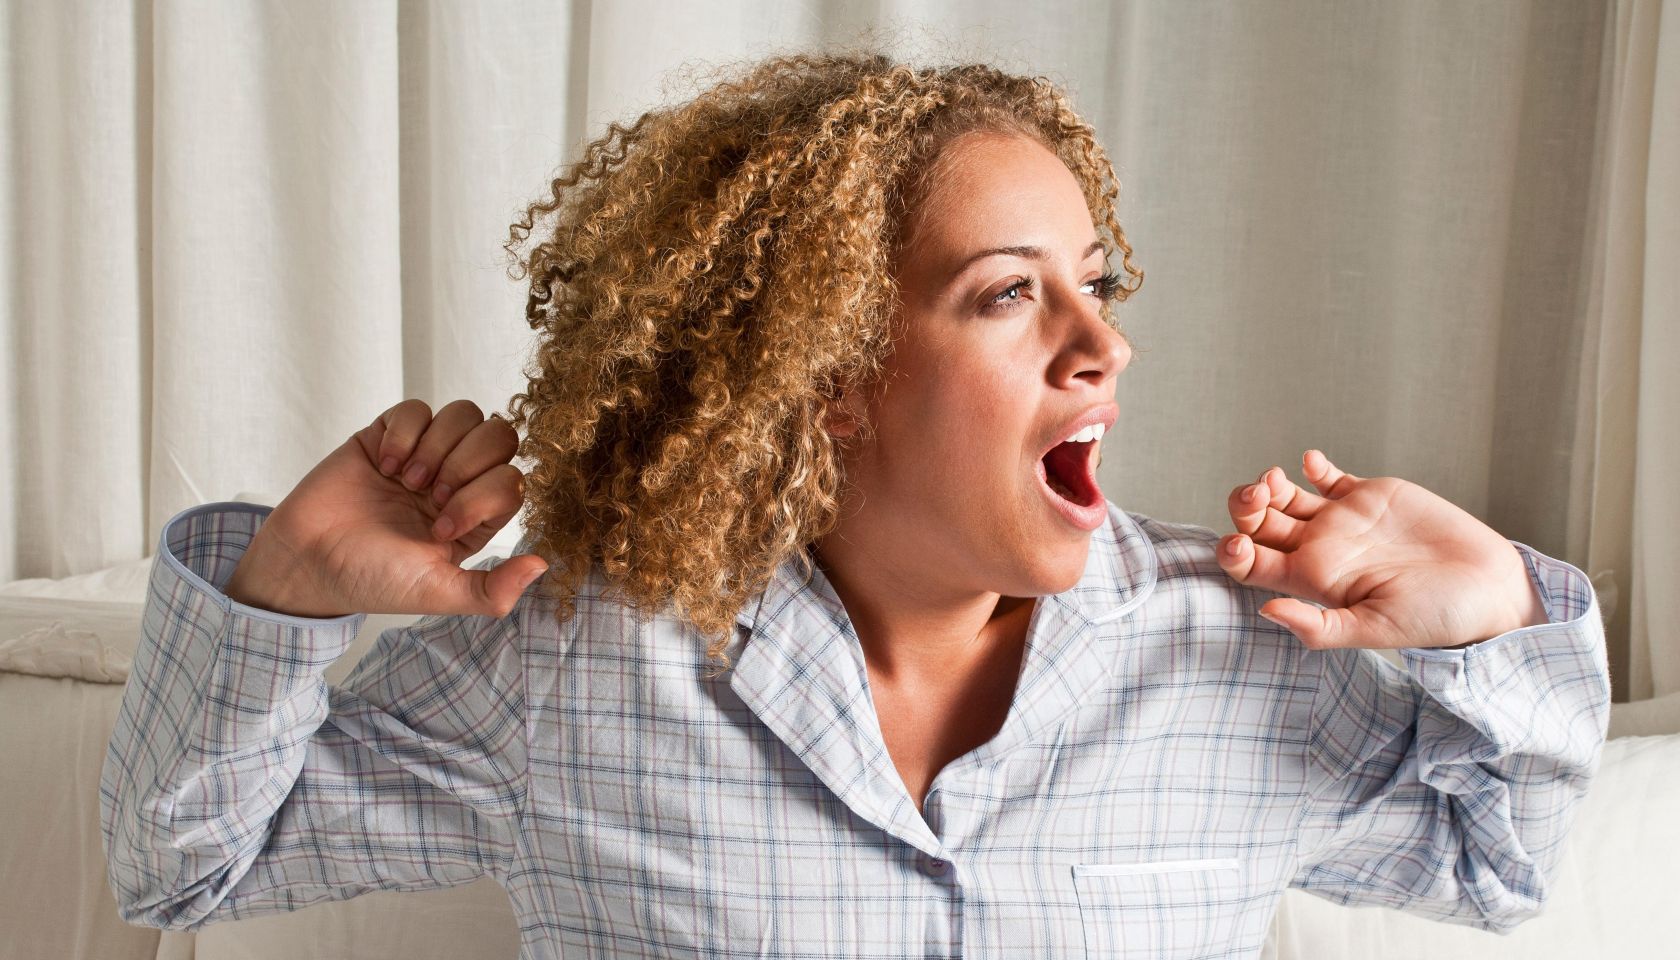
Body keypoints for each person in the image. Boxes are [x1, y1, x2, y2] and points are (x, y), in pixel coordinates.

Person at [100, 50, 1609, 959]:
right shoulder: (580, 660)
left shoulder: (1236, 651)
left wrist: (1501, 616)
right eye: (1011, 296)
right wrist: (285, 586)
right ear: (827, 377)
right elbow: (188, 865)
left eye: (1096, 283)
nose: (1103, 345)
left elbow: (1499, 868)